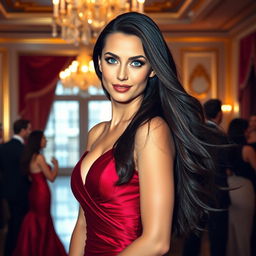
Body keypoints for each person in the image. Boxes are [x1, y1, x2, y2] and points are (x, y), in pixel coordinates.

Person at [70, 12, 220, 256]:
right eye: (112, 60)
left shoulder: (152, 130)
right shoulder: (96, 133)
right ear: (98, 63)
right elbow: (83, 224)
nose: (122, 74)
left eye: (136, 62)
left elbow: (157, 242)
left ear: (152, 69)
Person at [183, 98, 230, 256]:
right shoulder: (221, 135)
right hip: (218, 193)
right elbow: (228, 164)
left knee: (192, 240)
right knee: (219, 241)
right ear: (220, 114)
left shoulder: (193, 133)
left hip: (197, 192)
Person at [12, 130, 67, 256]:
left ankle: (33, 247)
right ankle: (43, 250)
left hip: (34, 191)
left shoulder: (30, 156)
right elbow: (51, 178)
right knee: (43, 219)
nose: (46, 140)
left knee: (35, 218)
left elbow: (31, 177)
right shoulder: (40, 158)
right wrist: (56, 165)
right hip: (42, 192)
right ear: (38, 141)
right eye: (43, 138)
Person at [0, 119, 31, 256]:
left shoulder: (3, 147)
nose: (29, 132)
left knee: (12, 220)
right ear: (23, 130)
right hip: (21, 191)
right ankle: (17, 250)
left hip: (7, 190)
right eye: (28, 129)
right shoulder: (24, 149)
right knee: (19, 223)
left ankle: (9, 250)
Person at [226, 118, 256, 256]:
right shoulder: (247, 149)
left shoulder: (227, 148)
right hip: (244, 189)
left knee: (232, 233)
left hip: (229, 188)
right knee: (245, 232)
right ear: (243, 131)